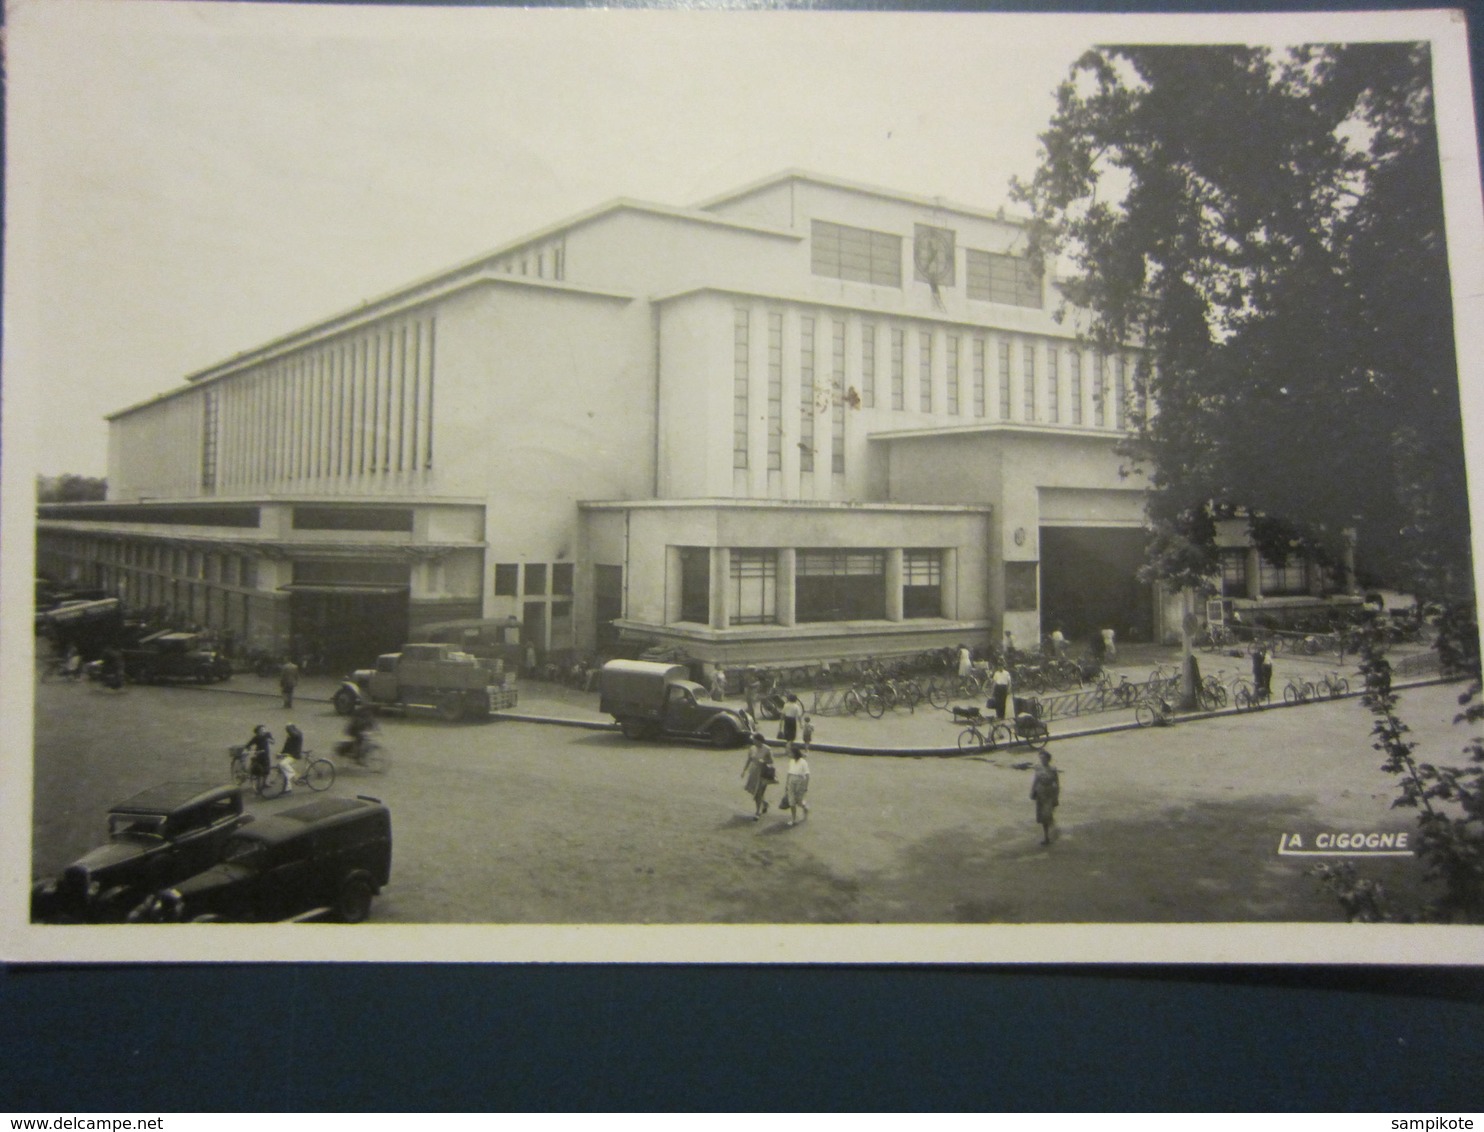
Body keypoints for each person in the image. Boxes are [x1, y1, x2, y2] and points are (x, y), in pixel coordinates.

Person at [740, 733, 776, 820]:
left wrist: (763, 761)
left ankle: (757, 812)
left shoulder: (767, 749)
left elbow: (771, 761)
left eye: (755, 740)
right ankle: (765, 803)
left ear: (759, 741)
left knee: (758, 792)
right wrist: (744, 770)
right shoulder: (752, 748)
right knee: (755, 791)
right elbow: (749, 759)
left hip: (763, 773)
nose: (753, 741)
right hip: (754, 772)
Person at [1030, 749, 1061, 845]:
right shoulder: (1038, 768)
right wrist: (1032, 791)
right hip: (1040, 794)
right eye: (1041, 758)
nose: (1042, 760)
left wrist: (1056, 797)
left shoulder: (1053, 770)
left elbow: (1056, 784)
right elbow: (1035, 780)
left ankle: (1051, 830)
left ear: (1048, 759)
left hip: (1049, 794)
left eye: (1044, 758)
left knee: (1047, 814)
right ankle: (1046, 836)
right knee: (1043, 817)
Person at [781, 742, 811, 826]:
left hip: (800, 782)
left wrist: (806, 786)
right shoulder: (791, 761)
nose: (789, 754)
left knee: (799, 801)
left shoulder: (803, 762)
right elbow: (789, 773)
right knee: (791, 802)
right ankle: (793, 819)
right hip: (791, 781)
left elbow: (807, 775)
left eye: (791, 753)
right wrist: (786, 784)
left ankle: (805, 807)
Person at [280, 723, 305, 791]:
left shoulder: (297, 735)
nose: (288, 731)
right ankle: (288, 788)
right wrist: (281, 753)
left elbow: (295, 736)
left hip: (295, 755)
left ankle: (295, 775)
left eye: (288, 730)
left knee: (283, 764)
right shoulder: (291, 735)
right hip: (290, 755)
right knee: (286, 771)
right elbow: (286, 746)